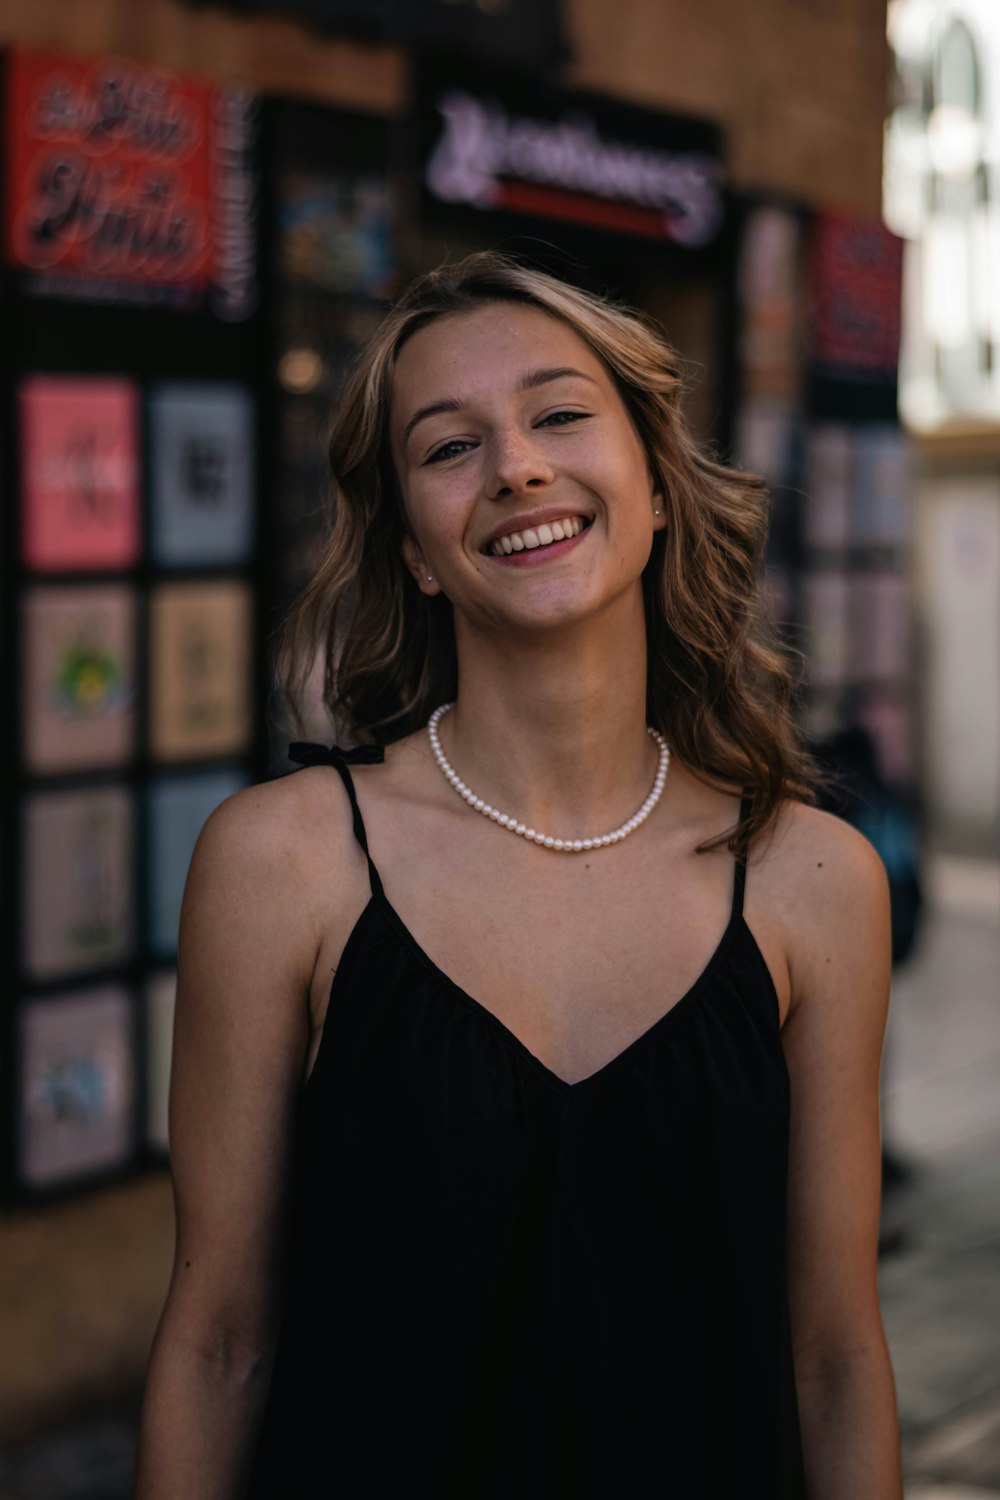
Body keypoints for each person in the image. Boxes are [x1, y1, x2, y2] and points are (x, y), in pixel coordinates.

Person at [133, 251, 904, 1498]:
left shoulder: (814, 879)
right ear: (419, 555)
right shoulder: (284, 862)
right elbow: (221, 1344)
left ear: (653, 488)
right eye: (448, 447)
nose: (517, 467)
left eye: (557, 414)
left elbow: (831, 1358)